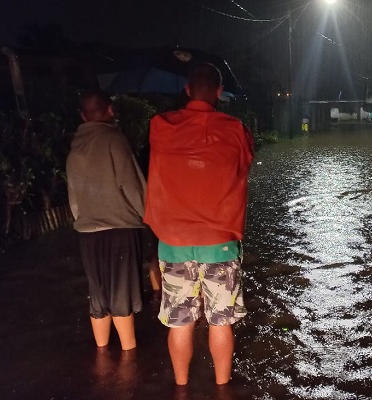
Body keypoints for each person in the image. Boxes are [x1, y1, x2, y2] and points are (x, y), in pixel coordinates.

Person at [144, 63, 254, 387]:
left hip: (174, 242)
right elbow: (244, 163)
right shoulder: (236, 129)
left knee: (179, 324)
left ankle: (181, 387)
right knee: (221, 323)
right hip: (219, 242)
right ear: (219, 92)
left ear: (188, 89)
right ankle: (222, 389)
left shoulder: (160, 125)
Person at [66, 90, 146, 351]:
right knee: (120, 296)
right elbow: (132, 186)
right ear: (110, 111)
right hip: (120, 230)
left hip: (88, 233)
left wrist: (85, 220)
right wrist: (150, 217)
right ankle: (128, 361)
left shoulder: (74, 149)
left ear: (82, 116)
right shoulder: (114, 140)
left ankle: (101, 356)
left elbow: (74, 200)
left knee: (98, 296)